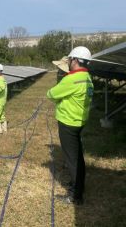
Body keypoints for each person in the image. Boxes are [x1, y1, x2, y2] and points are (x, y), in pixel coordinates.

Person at [47, 46, 94, 205]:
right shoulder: (87, 77)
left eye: (69, 60)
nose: (68, 63)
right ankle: (78, 185)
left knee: (73, 160)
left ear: (75, 60)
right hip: (79, 121)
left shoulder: (72, 79)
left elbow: (51, 94)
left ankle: (76, 196)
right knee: (78, 157)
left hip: (68, 122)